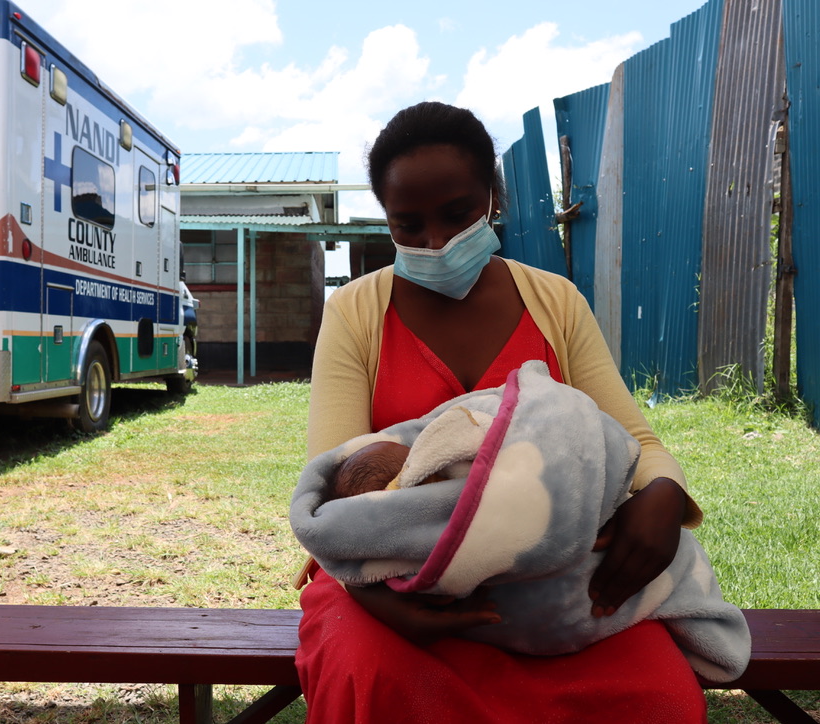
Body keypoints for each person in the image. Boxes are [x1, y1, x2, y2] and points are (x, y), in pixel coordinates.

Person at [297, 101, 707, 723]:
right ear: (385, 220)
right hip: (387, 581)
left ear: (492, 195)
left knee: (660, 698)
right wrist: (378, 599)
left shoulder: (555, 302)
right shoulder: (356, 312)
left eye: (457, 214)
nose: (436, 242)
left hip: (553, 575)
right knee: (377, 683)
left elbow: (635, 442)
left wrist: (664, 494)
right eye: (408, 225)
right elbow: (333, 482)